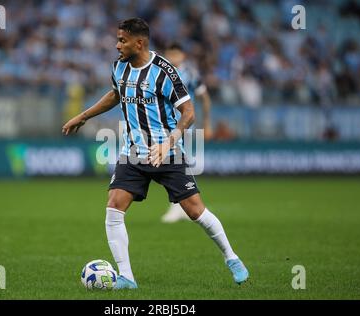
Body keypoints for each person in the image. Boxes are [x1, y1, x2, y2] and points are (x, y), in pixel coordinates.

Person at [62, 18, 248, 289]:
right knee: (114, 207)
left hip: (167, 152)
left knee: (195, 211)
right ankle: (126, 277)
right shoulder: (119, 67)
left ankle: (232, 258)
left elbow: (189, 113)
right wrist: (84, 116)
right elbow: (116, 95)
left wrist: (168, 143)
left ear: (140, 42)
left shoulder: (164, 71)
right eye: (117, 39)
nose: (117, 45)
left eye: (122, 40)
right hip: (133, 153)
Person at [161, 42, 213, 223]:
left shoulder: (190, 73)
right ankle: (183, 205)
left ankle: (179, 206)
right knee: (178, 164)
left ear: (183, 55)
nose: (173, 57)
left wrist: (207, 122)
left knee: (177, 164)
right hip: (164, 126)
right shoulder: (160, 71)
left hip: (183, 125)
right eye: (170, 53)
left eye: (176, 53)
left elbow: (204, 98)